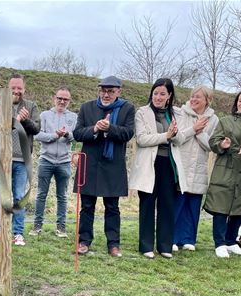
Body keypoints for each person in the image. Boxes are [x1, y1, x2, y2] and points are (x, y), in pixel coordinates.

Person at [73, 76, 135, 257]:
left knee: (112, 207)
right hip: (89, 164)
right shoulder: (87, 107)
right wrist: (95, 129)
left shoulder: (127, 108)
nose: (106, 94)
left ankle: (113, 244)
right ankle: (84, 241)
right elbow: (77, 133)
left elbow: (128, 133)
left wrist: (109, 128)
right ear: (99, 91)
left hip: (113, 165)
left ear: (118, 92)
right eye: (103, 91)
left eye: (110, 91)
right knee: (87, 206)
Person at [129, 78, 188, 259]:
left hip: (169, 165)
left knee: (167, 205)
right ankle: (146, 245)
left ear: (169, 96)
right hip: (149, 165)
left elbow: (181, 139)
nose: (158, 97)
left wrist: (175, 134)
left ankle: (165, 246)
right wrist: (166, 135)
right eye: (156, 93)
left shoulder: (177, 114)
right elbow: (142, 139)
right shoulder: (142, 112)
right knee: (147, 204)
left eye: (163, 94)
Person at [204, 89, 241, 258]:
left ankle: (231, 242)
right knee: (221, 205)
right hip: (226, 166)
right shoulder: (225, 121)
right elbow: (213, 142)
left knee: (239, 206)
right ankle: (219, 243)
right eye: (240, 100)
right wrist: (222, 144)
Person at [0, 73, 40, 246]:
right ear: (8, 88)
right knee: (0, 196)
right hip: (2, 159)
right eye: (13, 88)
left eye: (19, 88)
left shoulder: (31, 106)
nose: (16, 91)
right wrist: (13, 120)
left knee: (19, 196)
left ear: (24, 89)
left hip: (21, 159)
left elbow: (36, 129)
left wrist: (24, 121)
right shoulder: (0, 104)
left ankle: (18, 233)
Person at [172, 86, 219, 252]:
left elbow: (211, 145)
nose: (194, 99)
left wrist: (199, 132)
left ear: (207, 100)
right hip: (182, 164)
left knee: (193, 205)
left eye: (198, 97)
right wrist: (193, 128)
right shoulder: (179, 113)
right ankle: (173, 238)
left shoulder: (213, 120)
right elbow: (177, 138)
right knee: (178, 202)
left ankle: (189, 239)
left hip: (199, 166)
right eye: (192, 96)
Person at [30, 86, 77, 237]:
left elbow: (76, 136)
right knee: (41, 194)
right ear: (54, 98)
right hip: (46, 160)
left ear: (69, 101)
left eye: (65, 99)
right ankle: (37, 226)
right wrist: (54, 136)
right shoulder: (44, 115)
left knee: (62, 196)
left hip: (64, 161)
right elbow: (37, 135)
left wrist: (67, 134)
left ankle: (61, 227)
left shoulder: (74, 117)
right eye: (60, 98)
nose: (62, 101)